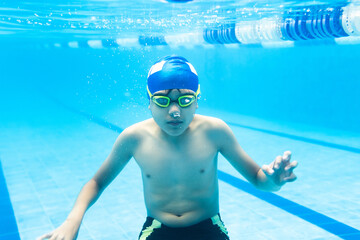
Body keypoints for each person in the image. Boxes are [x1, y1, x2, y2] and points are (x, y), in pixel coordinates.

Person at [38, 55, 298, 240]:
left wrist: (274, 180)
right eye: (163, 100)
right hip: (158, 229)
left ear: (197, 101)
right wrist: (73, 220)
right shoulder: (134, 137)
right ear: (149, 103)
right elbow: (96, 182)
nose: (175, 111)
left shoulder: (215, 131)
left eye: (184, 99)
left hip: (209, 228)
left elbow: (257, 179)